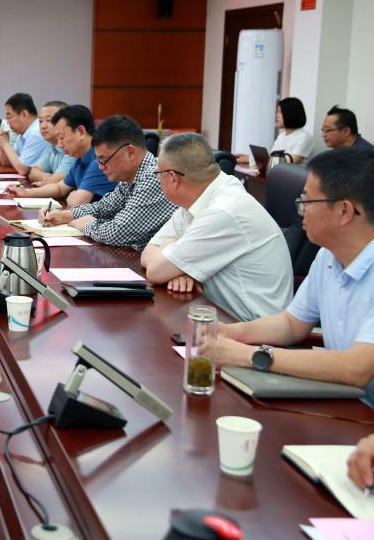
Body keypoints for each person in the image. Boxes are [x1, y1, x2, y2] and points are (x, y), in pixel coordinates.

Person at [201, 147, 374, 404]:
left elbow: (356, 368)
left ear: (344, 211)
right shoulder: (328, 256)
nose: (300, 210)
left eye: (307, 201)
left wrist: (247, 355)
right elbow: (291, 324)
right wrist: (230, 332)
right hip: (344, 401)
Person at [141, 132, 293, 321]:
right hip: (219, 315)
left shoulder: (224, 210)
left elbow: (155, 271)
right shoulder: (200, 196)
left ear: (173, 178)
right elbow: (148, 253)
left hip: (253, 328)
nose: (158, 180)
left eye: (158, 174)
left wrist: (175, 264)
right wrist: (179, 268)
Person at [40, 115, 174, 250]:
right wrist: (64, 215)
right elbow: (104, 207)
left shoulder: (154, 177)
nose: (100, 167)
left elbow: (118, 232)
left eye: (104, 160)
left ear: (130, 153)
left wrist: (87, 225)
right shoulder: (130, 178)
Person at [7, 105, 117, 207]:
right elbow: (59, 188)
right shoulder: (80, 159)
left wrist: (72, 199)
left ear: (81, 132)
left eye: (62, 138)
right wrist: (25, 193)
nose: (59, 144)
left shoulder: (99, 161)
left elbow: (76, 202)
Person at [236, 96, 312, 165]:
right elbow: (271, 158)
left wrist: (250, 160)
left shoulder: (304, 137)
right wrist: (250, 158)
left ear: (291, 113)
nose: (276, 115)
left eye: (280, 112)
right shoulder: (281, 136)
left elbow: (290, 161)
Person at [0, 92, 49, 175]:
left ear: (24, 114)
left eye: (9, 117)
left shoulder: (36, 133)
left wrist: (5, 144)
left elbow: (23, 170)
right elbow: (7, 163)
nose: (8, 122)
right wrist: (2, 146)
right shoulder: (22, 134)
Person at [26, 100, 76, 184]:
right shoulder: (52, 147)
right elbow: (33, 173)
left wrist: (48, 180)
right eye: (40, 121)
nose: (43, 126)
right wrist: (48, 177)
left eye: (49, 120)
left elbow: (59, 180)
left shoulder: (72, 149)